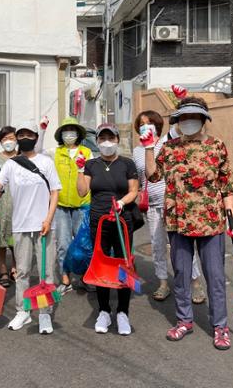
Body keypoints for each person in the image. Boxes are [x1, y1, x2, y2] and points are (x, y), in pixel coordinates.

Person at [142, 96, 233, 350]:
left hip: (211, 222)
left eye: (193, 117)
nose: (188, 121)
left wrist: (232, 216)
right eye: (183, 117)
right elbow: (153, 176)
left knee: (215, 277)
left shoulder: (217, 147)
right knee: (182, 275)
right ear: (178, 121)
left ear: (203, 119)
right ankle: (184, 320)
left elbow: (226, 185)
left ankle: (220, 326)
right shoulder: (169, 148)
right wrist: (148, 147)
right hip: (178, 222)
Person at [0, 120, 62, 335]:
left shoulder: (46, 162)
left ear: (36, 137)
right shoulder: (11, 164)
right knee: (23, 271)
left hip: (44, 225)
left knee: (46, 273)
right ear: (17, 138)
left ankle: (44, 313)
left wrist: (48, 218)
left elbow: (55, 191)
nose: (25, 138)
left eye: (29, 135)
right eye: (21, 135)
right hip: (20, 225)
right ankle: (23, 311)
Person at [132, 111, 206, 304]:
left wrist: (181, 102)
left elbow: (181, 125)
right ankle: (163, 283)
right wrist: (139, 191)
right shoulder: (137, 150)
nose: (145, 126)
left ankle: (195, 283)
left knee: (181, 245)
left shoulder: (167, 140)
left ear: (157, 125)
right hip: (152, 207)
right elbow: (140, 176)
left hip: (173, 204)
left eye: (149, 123)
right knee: (157, 247)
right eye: (141, 124)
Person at [76, 123, 138, 336]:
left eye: (110, 138)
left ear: (117, 140)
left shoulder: (127, 164)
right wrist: (78, 169)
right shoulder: (92, 165)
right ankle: (103, 310)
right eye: (102, 139)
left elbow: (133, 191)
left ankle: (122, 312)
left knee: (124, 263)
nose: (106, 143)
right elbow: (82, 192)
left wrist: (122, 202)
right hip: (99, 221)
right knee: (100, 263)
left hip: (123, 220)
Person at [42, 117, 92, 295]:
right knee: (63, 243)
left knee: (83, 244)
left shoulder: (87, 152)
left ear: (78, 133)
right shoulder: (55, 152)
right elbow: (36, 151)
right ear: (61, 134)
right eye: (66, 130)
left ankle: (85, 276)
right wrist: (42, 130)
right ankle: (65, 277)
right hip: (61, 205)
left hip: (82, 205)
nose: (69, 133)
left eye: (72, 130)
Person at [0, 126, 18, 287]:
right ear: (0, 141)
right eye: (5, 139)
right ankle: (2, 269)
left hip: (17, 203)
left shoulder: (22, 157)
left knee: (15, 238)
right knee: (0, 237)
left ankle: (15, 267)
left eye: (12, 138)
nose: (8, 141)